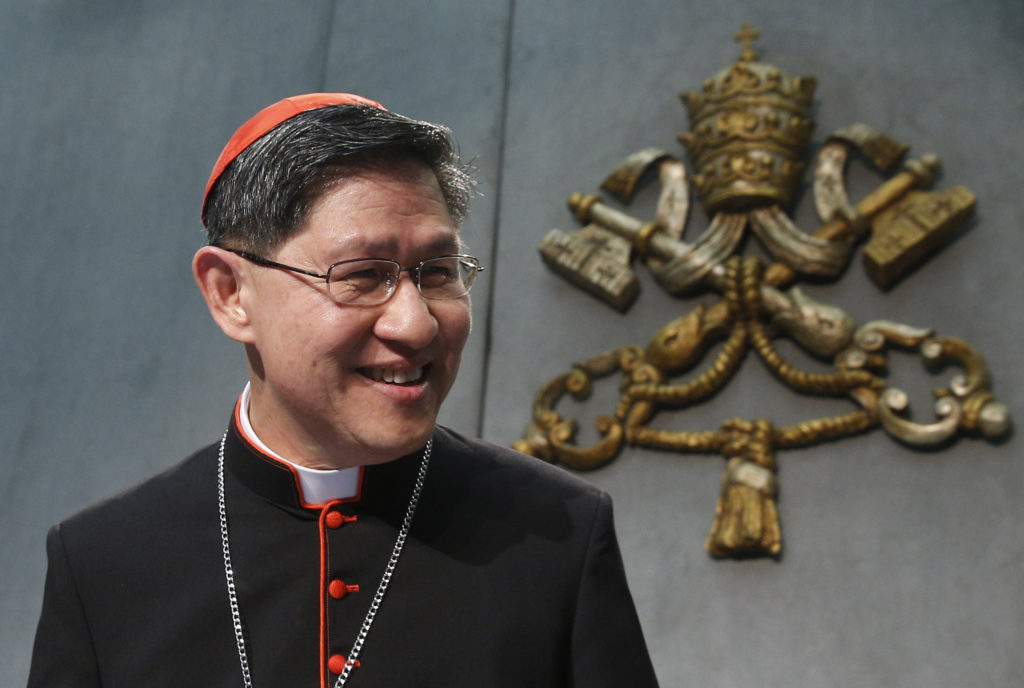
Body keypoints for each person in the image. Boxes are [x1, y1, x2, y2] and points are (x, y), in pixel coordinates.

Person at [27, 93, 659, 688]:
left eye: (438, 272)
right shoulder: (103, 563)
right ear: (230, 293)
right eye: (361, 276)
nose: (415, 325)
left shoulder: (557, 536)